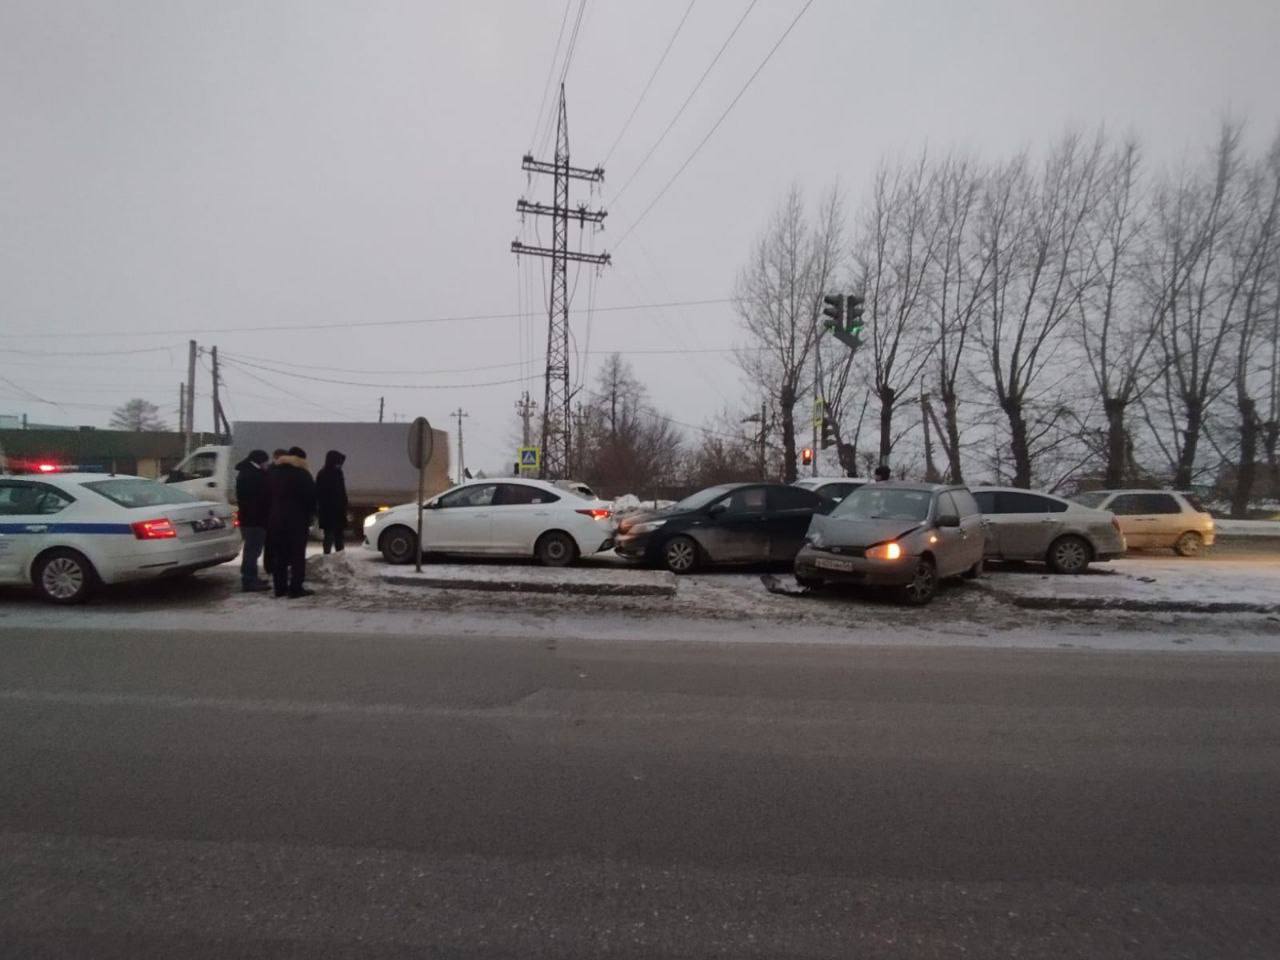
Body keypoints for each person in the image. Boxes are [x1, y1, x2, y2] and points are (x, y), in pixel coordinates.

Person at [267, 446, 316, 598]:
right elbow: (311, 499)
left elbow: (265, 496)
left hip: (275, 520)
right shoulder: (302, 474)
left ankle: (279, 588)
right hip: (297, 521)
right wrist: (310, 516)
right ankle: (296, 588)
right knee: (297, 555)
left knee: (280, 555)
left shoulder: (273, 472)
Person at [233, 449, 272, 592]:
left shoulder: (248, 473)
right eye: (265, 461)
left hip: (251, 518)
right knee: (252, 551)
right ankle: (249, 580)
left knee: (253, 550)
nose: (267, 464)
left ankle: (251, 577)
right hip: (254, 519)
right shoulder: (252, 475)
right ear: (259, 461)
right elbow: (259, 497)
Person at [315, 450, 349, 554]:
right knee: (331, 536)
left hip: (333, 511)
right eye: (338, 462)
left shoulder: (330, 473)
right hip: (330, 511)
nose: (340, 465)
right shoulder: (327, 474)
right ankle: (329, 557)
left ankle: (337, 556)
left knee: (335, 536)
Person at [262, 448, 288, 575]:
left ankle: (271, 566)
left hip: (271, 512)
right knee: (273, 542)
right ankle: (272, 566)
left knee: (272, 542)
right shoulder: (274, 471)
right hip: (274, 512)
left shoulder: (269, 471)